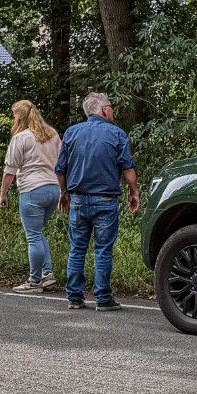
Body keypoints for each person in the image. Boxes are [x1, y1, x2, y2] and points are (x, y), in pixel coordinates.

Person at [54, 91, 141, 311]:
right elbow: (127, 167)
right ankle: (103, 298)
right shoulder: (117, 134)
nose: (112, 110)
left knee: (77, 248)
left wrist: (64, 192)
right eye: (110, 106)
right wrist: (134, 193)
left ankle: (74, 296)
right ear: (103, 110)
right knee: (103, 250)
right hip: (105, 200)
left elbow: (60, 169)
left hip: (78, 199)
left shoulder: (71, 133)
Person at [0, 100, 62, 294]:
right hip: (54, 190)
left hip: (33, 191)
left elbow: (10, 170)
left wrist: (3, 194)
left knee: (33, 237)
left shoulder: (21, 138)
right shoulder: (53, 134)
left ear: (19, 118)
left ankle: (34, 282)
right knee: (38, 233)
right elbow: (62, 164)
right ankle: (47, 275)